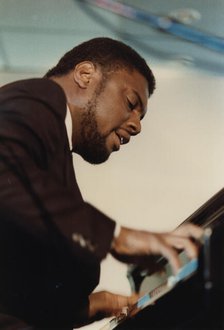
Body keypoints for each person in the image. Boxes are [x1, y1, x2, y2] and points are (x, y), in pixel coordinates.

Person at [0, 37, 203, 329]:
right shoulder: (40, 97)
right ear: (85, 75)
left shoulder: (52, 156)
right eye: (131, 103)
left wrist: (93, 306)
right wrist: (115, 236)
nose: (137, 125)